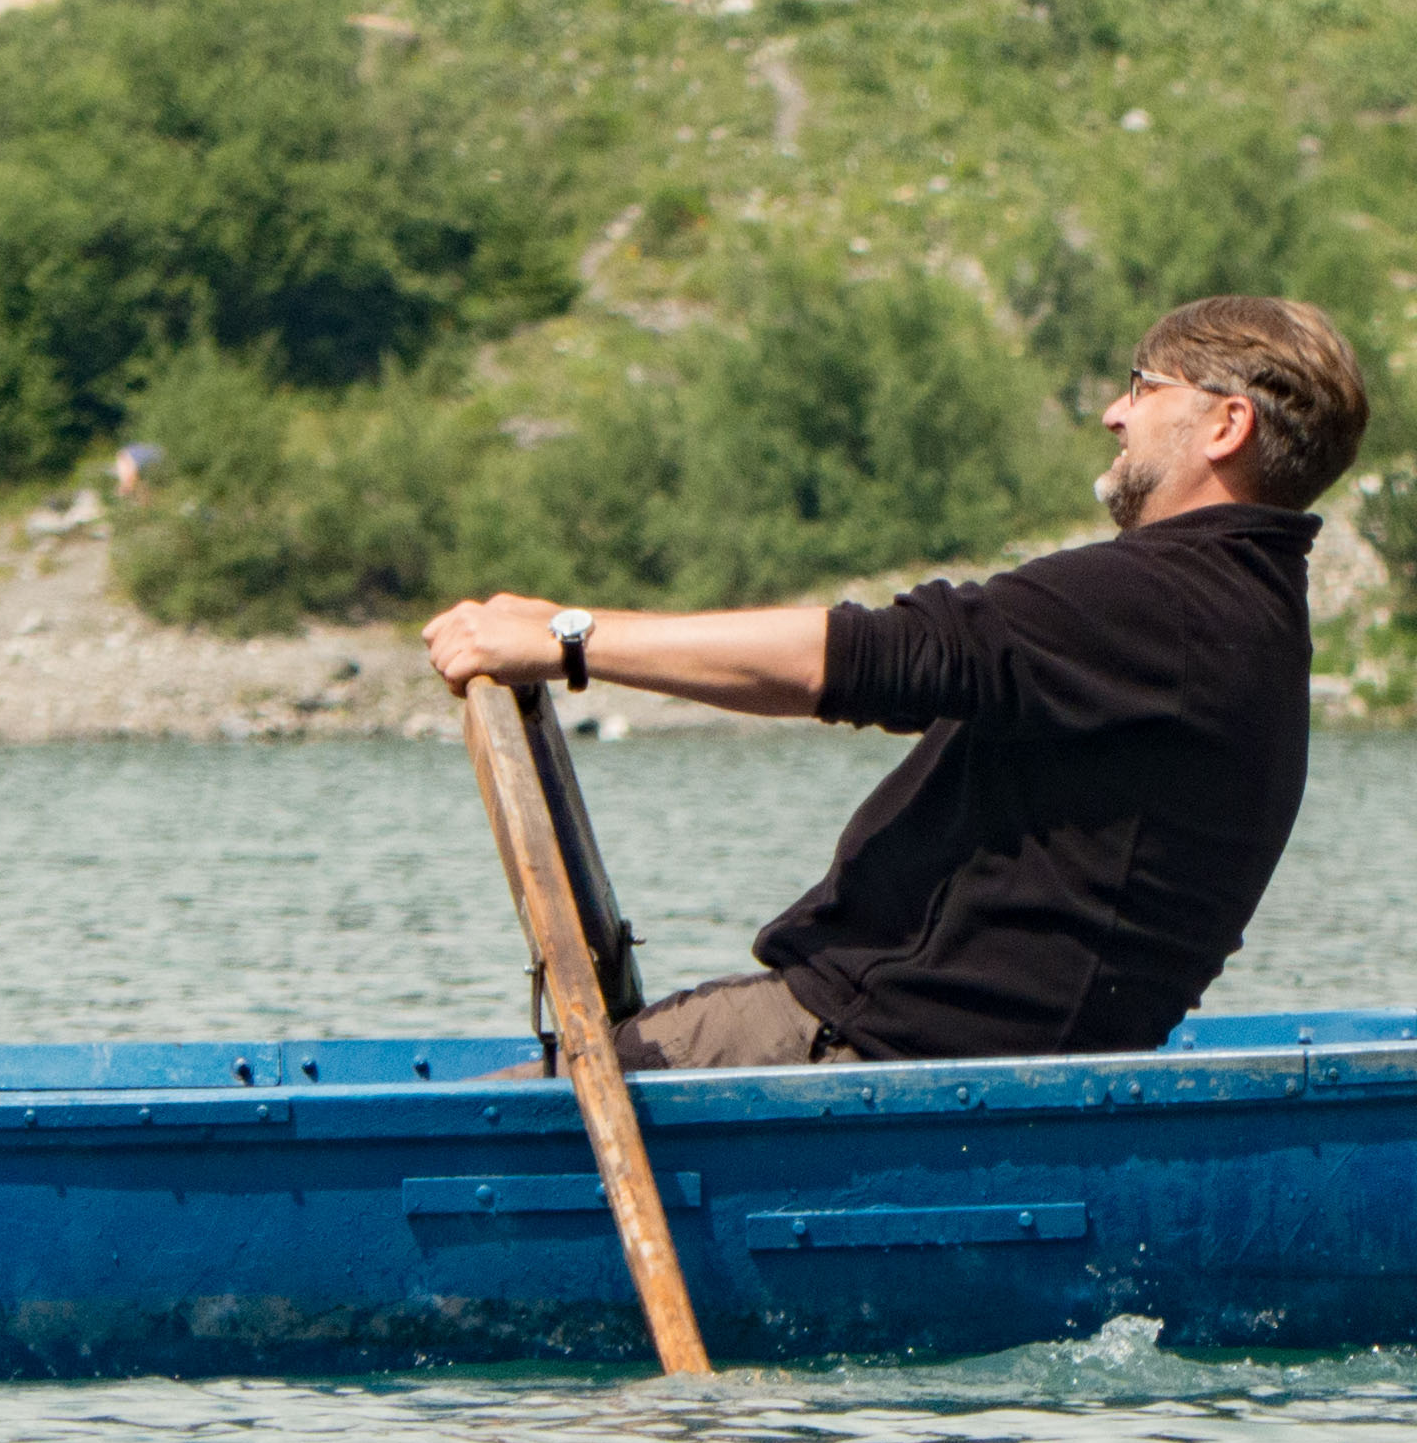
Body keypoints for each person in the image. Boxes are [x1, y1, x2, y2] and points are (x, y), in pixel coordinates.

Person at [421, 295, 1369, 1067]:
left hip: (875, 1048)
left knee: (465, 1133)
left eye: (1142, 386)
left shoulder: (1156, 601)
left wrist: (569, 637)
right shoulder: (1248, 610)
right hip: (965, 1052)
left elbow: (859, 658)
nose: (1116, 414)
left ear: (1226, 424)